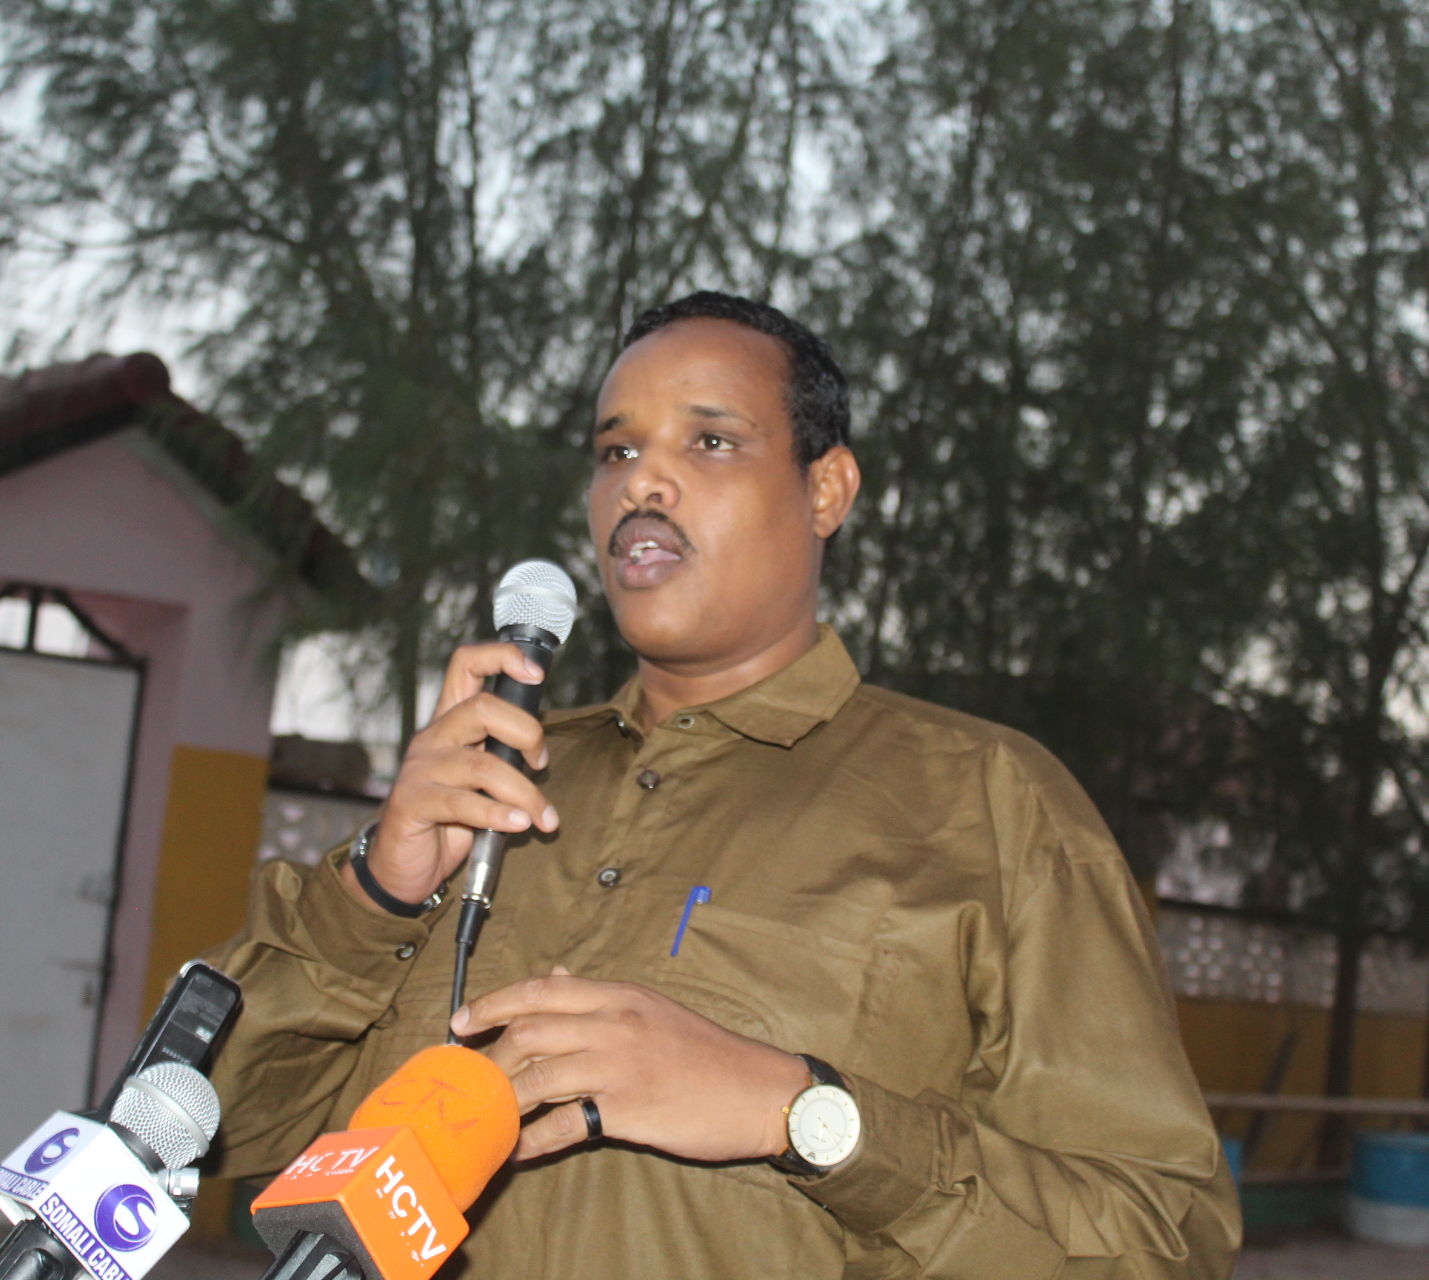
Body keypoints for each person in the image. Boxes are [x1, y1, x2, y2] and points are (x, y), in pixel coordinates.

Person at [206, 292, 1240, 1278]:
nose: (642, 485)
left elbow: (1165, 1239)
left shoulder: (993, 806)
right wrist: (375, 897)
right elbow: (212, 1130)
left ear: (826, 490)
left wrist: (801, 1114)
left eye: (709, 441)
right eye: (617, 451)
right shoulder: (485, 788)